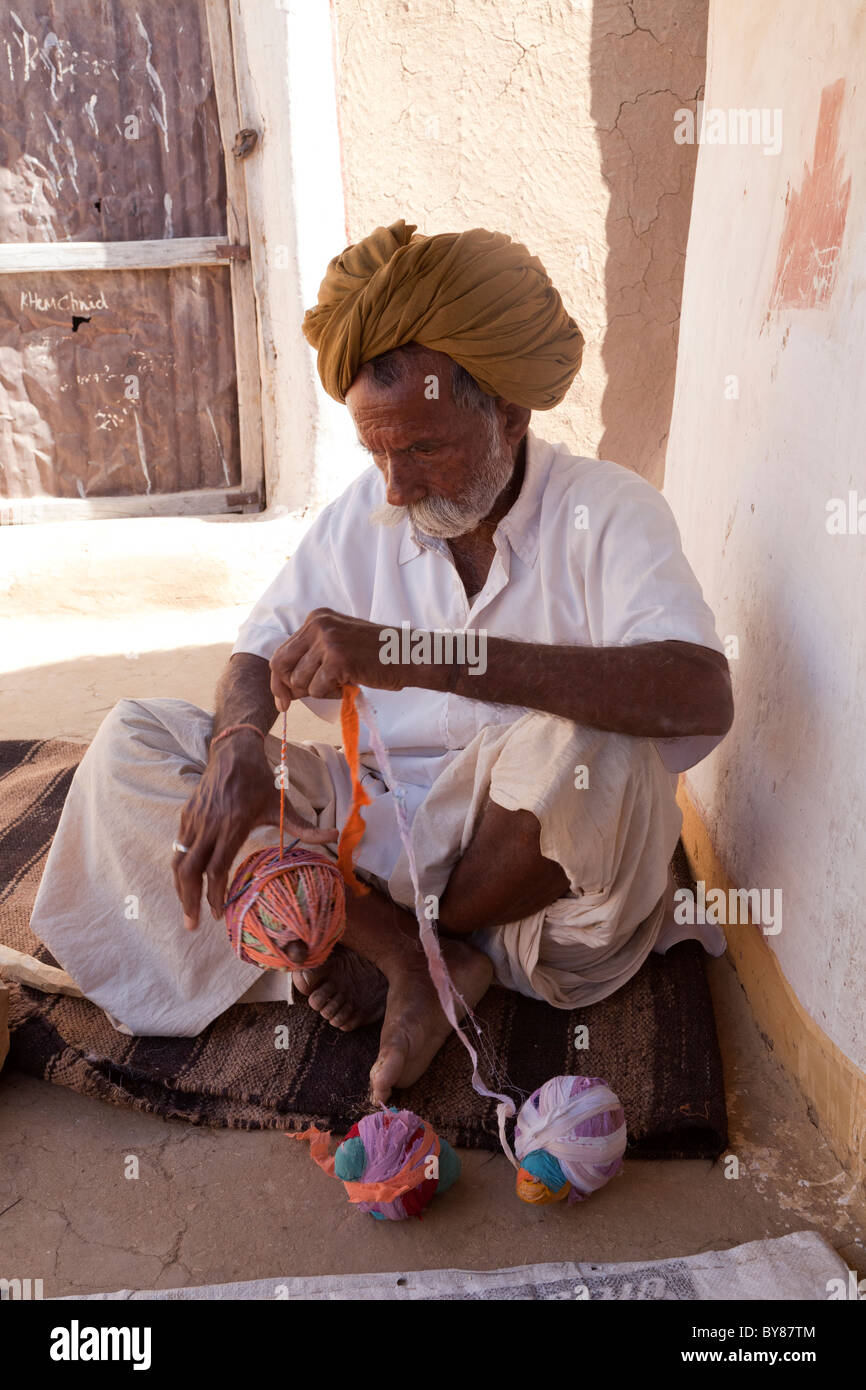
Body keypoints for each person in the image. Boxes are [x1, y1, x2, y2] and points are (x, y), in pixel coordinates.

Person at [30, 221, 733, 1104]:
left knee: (607, 755)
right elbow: (257, 651)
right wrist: (242, 743)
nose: (395, 487)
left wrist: (430, 658)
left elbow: (700, 692)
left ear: (511, 415)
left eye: (424, 449)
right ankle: (409, 957)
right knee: (139, 740)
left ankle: (398, 941)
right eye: (377, 451)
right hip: (373, 830)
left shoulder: (610, 510)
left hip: (527, 890)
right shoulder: (368, 512)